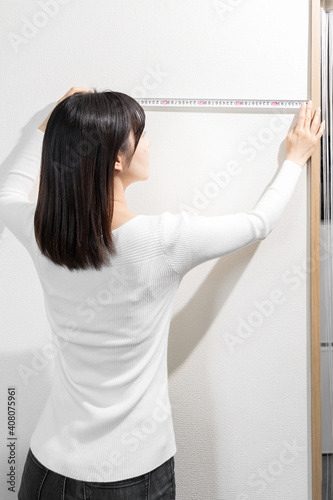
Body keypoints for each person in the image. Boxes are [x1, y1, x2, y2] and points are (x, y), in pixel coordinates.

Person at [0, 87, 324, 500]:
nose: (149, 143)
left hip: (47, 472)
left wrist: (51, 121)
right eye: (142, 134)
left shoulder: (41, 231)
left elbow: (8, 193)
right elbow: (259, 223)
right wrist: (295, 159)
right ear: (117, 160)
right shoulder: (164, 240)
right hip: (133, 477)